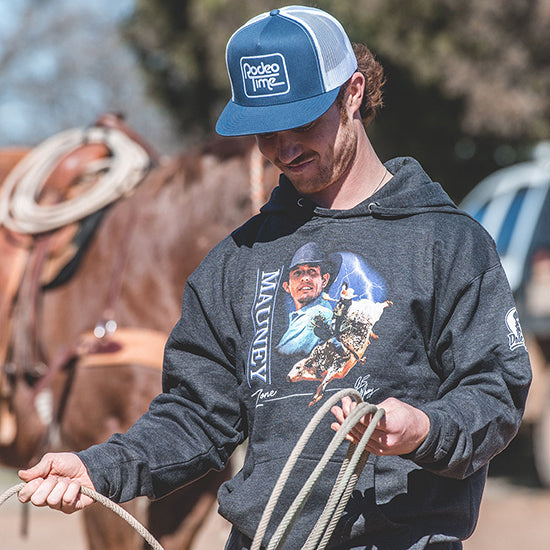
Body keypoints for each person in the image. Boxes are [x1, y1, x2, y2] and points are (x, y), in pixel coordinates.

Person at [18, 6, 531, 549]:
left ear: (352, 94)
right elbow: (196, 416)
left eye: (303, 122)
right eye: (265, 131)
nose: (284, 148)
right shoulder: (237, 259)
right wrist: (99, 468)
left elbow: (494, 393)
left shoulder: (446, 242)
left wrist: (422, 430)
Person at [276, 242, 334, 356]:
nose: (305, 278)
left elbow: (281, 355)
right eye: (297, 273)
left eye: (312, 271)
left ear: (324, 280)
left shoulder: (317, 314)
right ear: (287, 286)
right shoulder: (300, 317)